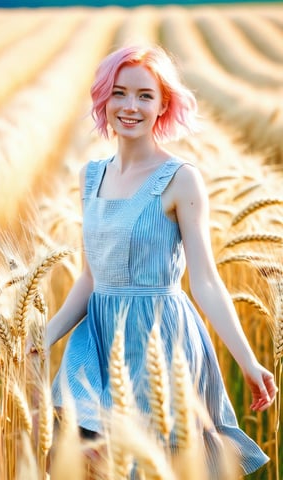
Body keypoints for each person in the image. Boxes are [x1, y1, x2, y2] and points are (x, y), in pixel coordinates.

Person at [33, 45, 277, 475]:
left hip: (159, 340)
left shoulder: (182, 179)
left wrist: (248, 360)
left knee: (150, 465)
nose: (130, 106)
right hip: (97, 340)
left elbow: (205, 282)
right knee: (72, 459)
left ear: (164, 104)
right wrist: (40, 338)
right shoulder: (90, 176)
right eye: (119, 92)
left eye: (145, 95)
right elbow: (90, 278)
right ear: (103, 98)